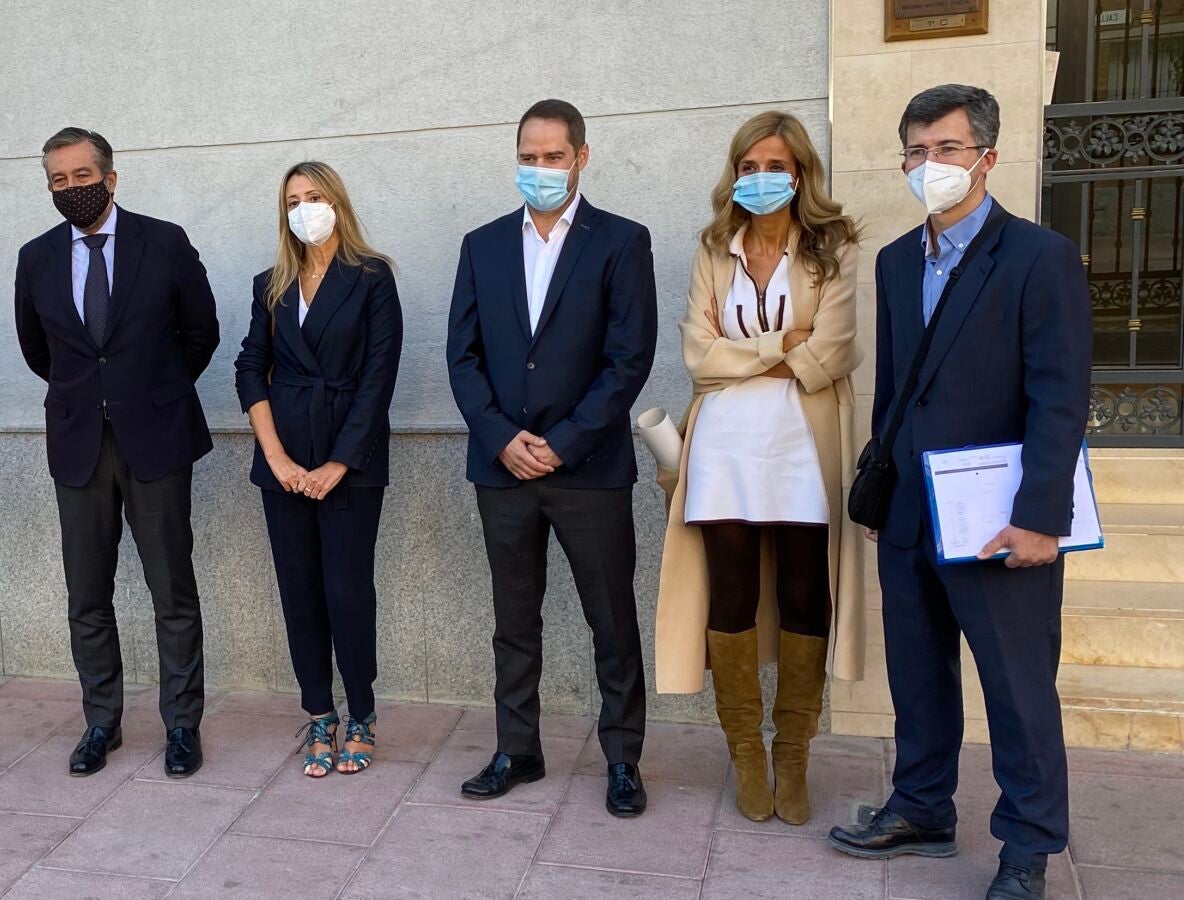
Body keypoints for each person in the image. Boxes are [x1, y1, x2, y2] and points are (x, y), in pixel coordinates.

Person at [825, 85, 1091, 900]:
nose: (929, 164)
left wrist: (1041, 517)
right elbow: (895, 389)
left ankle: (1027, 848)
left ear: (987, 158)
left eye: (946, 148)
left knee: (1016, 688)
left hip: (1000, 517)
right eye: (916, 150)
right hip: (912, 509)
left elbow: (1060, 396)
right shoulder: (896, 260)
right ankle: (921, 808)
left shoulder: (1040, 257)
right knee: (917, 675)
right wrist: (883, 489)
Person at [446, 99, 657, 817]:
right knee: (513, 621)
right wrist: (501, 437)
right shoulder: (482, 245)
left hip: (589, 469)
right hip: (502, 468)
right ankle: (518, 749)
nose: (540, 169)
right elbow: (463, 356)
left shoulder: (621, 241)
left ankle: (623, 758)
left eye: (553, 157)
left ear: (581, 158)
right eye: (528, 158)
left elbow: (628, 359)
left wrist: (565, 442)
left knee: (611, 620)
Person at [654, 111, 865, 827]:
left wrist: (742, 355)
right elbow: (697, 356)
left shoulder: (834, 248)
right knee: (732, 595)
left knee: (807, 594)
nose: (761, 178)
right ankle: (745, 751)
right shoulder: (714, 248)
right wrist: (782, 345)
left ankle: (793, 753)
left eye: (775, 166)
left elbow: (833, 351)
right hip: (723, 448)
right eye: (748, 167)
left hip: (803, 443)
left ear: (800, 173)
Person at [15, 127, 220, 779]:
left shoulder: (164, 242)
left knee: (172, 590)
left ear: (110, 177)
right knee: (87, 595)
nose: (70, 188)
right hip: (79, 443)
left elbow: (201, 332)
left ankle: (182, 724)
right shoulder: (36, 257)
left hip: (156, 438)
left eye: (81, 175)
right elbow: (38, 350)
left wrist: (152, 392)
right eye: (58, 179)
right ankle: (101, 721)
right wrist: (91, 397)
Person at [234, 162, 403, 777]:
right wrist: (276, 457)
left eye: (314, 196)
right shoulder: (271, 283)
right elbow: (250, 367)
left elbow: (379, 376)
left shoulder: (372, 277)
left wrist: (339, 462)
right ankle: (319, 714)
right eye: (293, 201)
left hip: (350, 460)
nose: (304, 209)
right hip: (282, 462)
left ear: (337, 202)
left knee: (346, 589)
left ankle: (361, 713)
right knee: (299, 589)